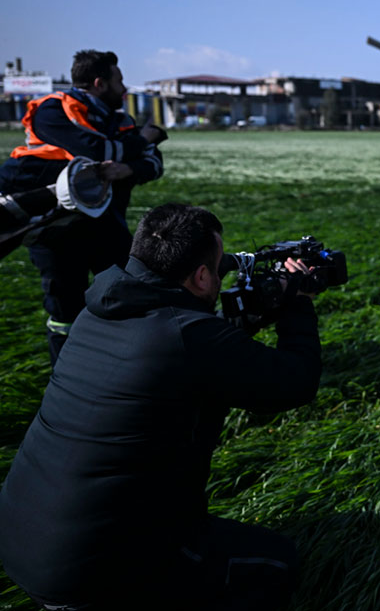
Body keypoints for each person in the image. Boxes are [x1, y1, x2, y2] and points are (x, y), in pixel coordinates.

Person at [0, 203, 322, 611]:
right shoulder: (186, 337)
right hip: (87, 574)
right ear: (202, 275)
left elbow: (192, 349)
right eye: (219, 265)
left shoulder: (99, 308)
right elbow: (296, 381)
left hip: (19, 537)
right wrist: (297, 303)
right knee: (277, 563)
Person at [0, 49, 167, 364]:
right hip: (55, 231)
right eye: (119, 80)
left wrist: (129, 168)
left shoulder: (119, 119)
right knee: (64, 311)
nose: (125, 88)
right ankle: (66, 378)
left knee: (128, 296)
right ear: (99, 83)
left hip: (107, 225)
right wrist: (145, 137)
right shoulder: (53, 109)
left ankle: (123, 371)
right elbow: (96, 149)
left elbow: (154, 163)